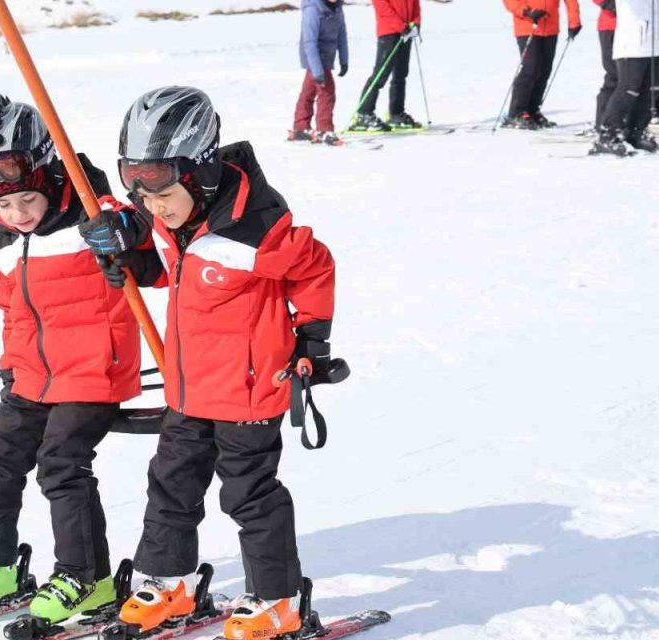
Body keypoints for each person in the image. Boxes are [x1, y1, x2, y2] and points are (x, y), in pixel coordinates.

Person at [78, 87, 336, 640]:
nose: (153, 208)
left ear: (199, 173)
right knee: (170, 485)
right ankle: (170, 583)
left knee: (249, 495)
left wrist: (313, 343)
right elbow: (170, 271)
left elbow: (315, 269)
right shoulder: (174, 219)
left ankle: (277, 599)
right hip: (188, 389)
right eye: (142, 196)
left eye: (162, 194)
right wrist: (125, 250)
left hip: (248, 391)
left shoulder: (258, 229)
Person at [0, 96, 162, 625]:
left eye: (27, 201)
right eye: (6, 206)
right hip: (34, 377)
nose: (19, 215)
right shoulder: (5, 243)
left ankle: (87, 578)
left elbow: (142, 223)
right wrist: (12, 367)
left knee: (61, 463)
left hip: (92, 372)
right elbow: (14, 313)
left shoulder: (92, 210)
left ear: (46, 170)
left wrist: (125, 234)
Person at [501, 0, 582, 129]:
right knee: (530, 69)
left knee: (544, 71)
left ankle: (532, 111)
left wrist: (574, 21)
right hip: (528, 25)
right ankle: (516, 113)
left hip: (550, 28)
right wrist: (527, 11)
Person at [593, 0, 659, 154]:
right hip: (633, 40)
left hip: (654, 41)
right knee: (628, 89)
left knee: (651, 90)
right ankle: (608, 134)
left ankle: (635, 132)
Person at [351, 0, 422, 131]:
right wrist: (401, 27)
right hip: (389, 31)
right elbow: (382, 7)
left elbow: (416, 5)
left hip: (407, 32)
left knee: (401, 74)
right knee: (381, 74)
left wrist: (416, 23)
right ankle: (364, 113)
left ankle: (396, 112)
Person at [290, 0, 350, 145]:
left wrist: (344, 60)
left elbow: (342, 35)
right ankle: (324, 129)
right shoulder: (312, 9)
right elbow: (309, 42)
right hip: (313, 56)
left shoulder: (337, 8)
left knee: (309, 90)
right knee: (327, 91)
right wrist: (317, 70)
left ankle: (301, 127)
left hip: (327, 57)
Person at [593, 0, 619, 128]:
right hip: (610, 26)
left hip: (633, 29)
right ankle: (602, 121)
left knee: (633, 77)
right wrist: (611, 4)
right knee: (614, 75)